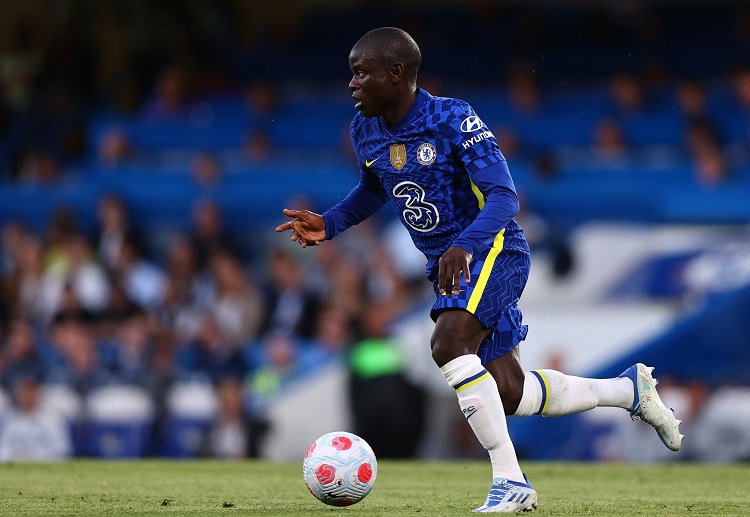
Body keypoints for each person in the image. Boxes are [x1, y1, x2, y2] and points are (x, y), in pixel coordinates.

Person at [276, 27, 683, 513]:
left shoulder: (452, 118)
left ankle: (511, 482)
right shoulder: (364, 129)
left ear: (395, 73)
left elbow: (505, 197)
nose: (352, 84)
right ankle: (627, 391)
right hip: (450, 265)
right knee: (509, 392)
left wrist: (464, 247)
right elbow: (373, 188)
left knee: (447, 345)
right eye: (352, 74)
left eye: (361, 73)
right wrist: (330, 222)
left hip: (491, 250)